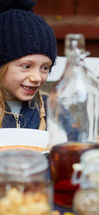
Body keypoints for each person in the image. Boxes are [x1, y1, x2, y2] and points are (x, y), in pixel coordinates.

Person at [0, 0, 57, 129]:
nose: (37, 77)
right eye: (26, 66)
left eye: (45, 67)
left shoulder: (52, 109)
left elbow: (72, 144)